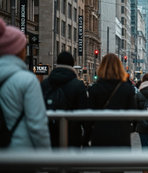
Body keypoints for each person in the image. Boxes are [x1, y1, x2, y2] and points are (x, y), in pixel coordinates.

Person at [0, 18, 51, 149]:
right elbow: (38, 126)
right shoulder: (27, 80)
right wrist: (47, 160)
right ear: (18, 51)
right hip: (19, 153)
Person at [86, 53, 137, 147]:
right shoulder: (127, 89)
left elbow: (89, 115)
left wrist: (87, 136)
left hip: (100, 133)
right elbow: (133, 113)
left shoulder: (95, 89)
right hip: (121, 133)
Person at [41, 51, 88, 148]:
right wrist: (86, 139)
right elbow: (84, 114)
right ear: (72, 65)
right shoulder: (78, 85)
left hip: (49, 134)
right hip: (72, 135)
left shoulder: (44, 84)